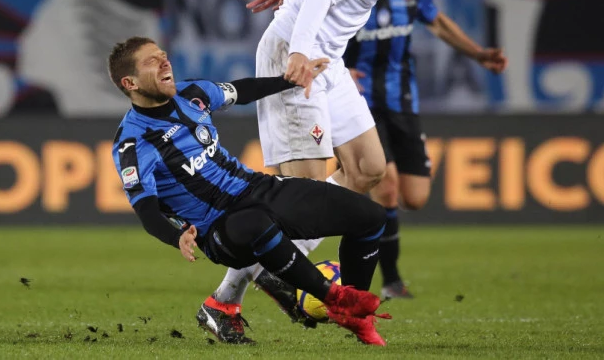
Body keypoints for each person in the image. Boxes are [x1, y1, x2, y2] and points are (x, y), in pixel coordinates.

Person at [202, 0, 504, 339]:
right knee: (304, 198)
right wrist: (299, 50)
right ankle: (226, 300)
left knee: (368, 169)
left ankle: (272, 270)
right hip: (296, 57)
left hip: (328, 59)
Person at [108, 37, 392, 346]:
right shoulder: (133, 143)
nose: (165, 62)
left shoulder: (193, 94)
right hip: (218, 229)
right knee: (255, 223)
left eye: (163, 55)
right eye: (152, 61)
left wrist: (289, 80)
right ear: (130, 83)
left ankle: (356, 315)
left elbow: (240, 91)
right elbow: (147, 211)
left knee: (370, 217)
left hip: (256, 189)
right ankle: (335, 298)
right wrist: (176, 237)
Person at [343, 0, 508, 299]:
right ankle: (391, 281)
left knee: (415, 198)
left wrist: (478, 54)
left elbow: (438, 23)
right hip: (359, 103)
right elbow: (317, 32)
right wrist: (338, 68)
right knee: (386, 186)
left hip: (402, 100)